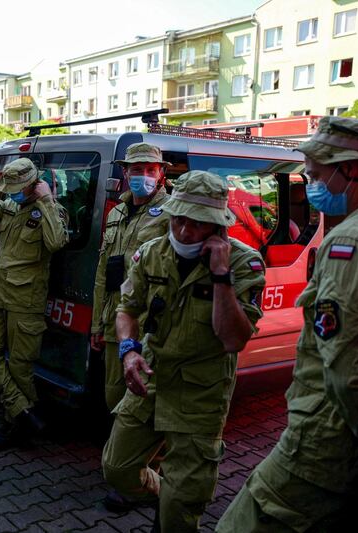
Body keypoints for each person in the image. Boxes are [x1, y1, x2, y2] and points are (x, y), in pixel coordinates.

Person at [217, 117, 358, 532]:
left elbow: (347, 372)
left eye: (317, 174)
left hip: (326, 442)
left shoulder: (354, 240)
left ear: (351, 169)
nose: (310, 184)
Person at [102, 170, 266, 531]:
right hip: (153, 376)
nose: (183, 232)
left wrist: (220, 276)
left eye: (196, 224)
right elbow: (127, 308)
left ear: (217, 226)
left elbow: (233, 340)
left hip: (200, 390)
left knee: (180, 510)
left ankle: (176, 506)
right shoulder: (152, 253)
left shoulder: (244, 263)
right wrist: (129, 350)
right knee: (116, 469)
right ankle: (169, 494)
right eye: (178, 219)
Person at [0, 158, 69, 450]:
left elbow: (55, 243)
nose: (12, 192)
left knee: (20, 369)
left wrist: (47, 201)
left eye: (16, 188)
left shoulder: (51, 211)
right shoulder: (9, 206)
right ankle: (24, 411)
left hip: (26, 302)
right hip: (0, 296)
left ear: (33, 185)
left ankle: (15, 425)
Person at [90, 142, 171, 413]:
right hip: (116, 321)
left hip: (151, 324)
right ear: (126, 173)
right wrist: (97, 325)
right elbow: (104, 272)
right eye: (137, 170)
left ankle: (143, 455)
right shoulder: (117, 212)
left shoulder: (173, 213)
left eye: (151, 169)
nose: (144, 176)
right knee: (114, 395)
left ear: (160, 174)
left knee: (145, 399)